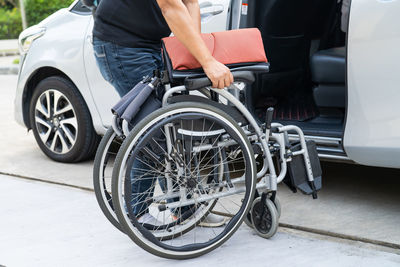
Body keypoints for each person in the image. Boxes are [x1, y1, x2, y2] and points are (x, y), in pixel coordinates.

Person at [92, 0, 232, 225]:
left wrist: (193, 56)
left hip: (152, 44)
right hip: (123, 46)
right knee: (152, 131)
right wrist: (207, 61)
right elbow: (170, 6)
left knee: (169, 129)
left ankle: (185, 209)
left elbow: (190, 3)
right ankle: (135, 212)